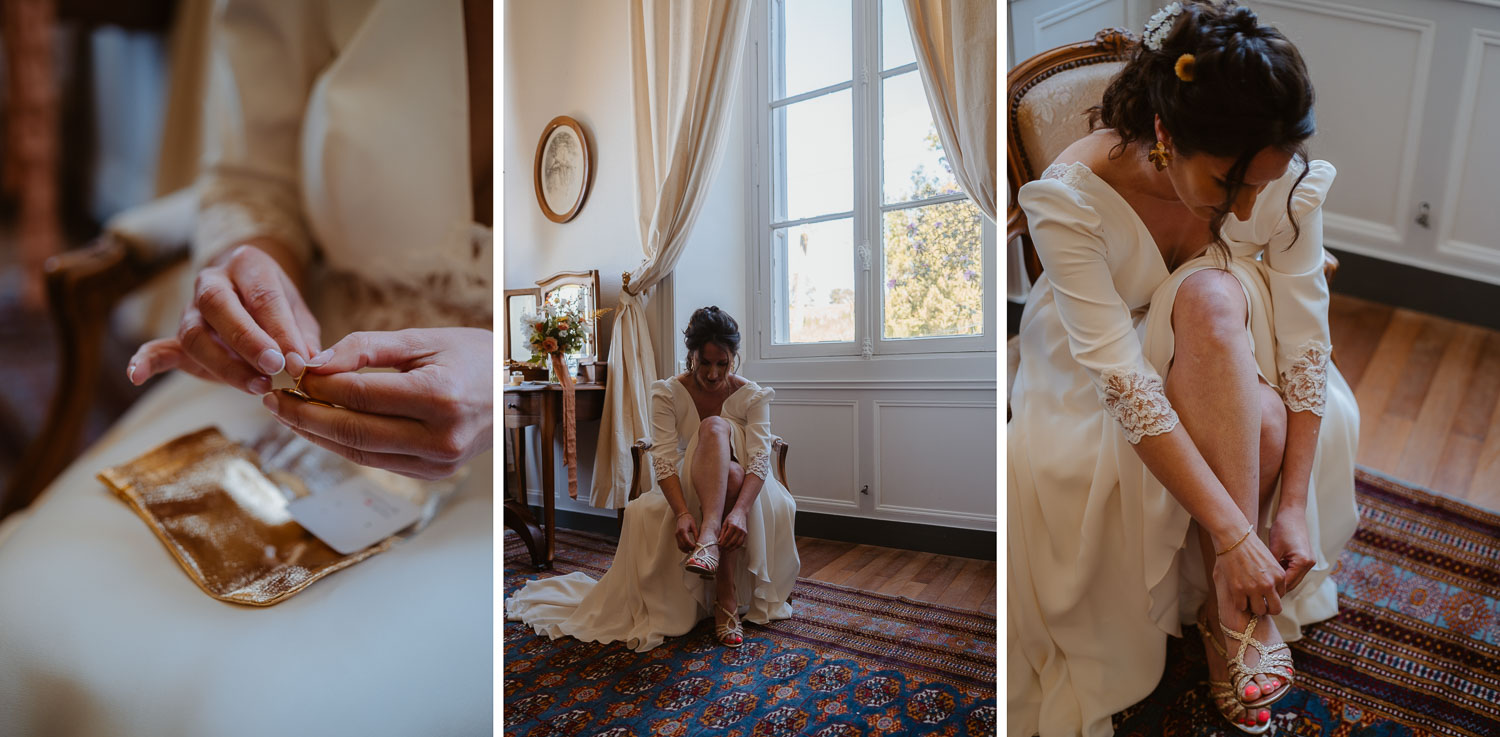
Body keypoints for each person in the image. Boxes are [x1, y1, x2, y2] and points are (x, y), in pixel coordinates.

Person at [0, 3, 493, 735]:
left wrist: (512, 367)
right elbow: (250, 179)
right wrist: (253, 268)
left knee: (257, 710)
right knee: (23, 602)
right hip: (302, 366)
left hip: (519, 431)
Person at [1007, 2, 1358, 735]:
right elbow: (1125, 385)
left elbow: (1303, 338)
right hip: (1096, 350)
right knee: (1220, 341)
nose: (1252, 203)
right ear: (1166, 135)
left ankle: (1223, 605)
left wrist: (1290, 504)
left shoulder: (1277, 177)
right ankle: (1234, 595)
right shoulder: (1072, 197)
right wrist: (1237, 536)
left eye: (1265, 181)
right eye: (1232, 182)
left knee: (1210, 298)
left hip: (1228, 325)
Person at [507, 306, 800, 651]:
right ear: (690, 355)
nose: (713, 373)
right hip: (692, 479)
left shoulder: (751, 394)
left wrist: (738, 513)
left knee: (732, 466)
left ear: (734, 357)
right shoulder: (668, 392)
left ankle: (712, 548)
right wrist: (682, 513)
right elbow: (662, 459)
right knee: (713, 427)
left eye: (722, 363)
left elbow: (760, 459)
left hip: (750, 490)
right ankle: (726, 599)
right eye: (704, 362)